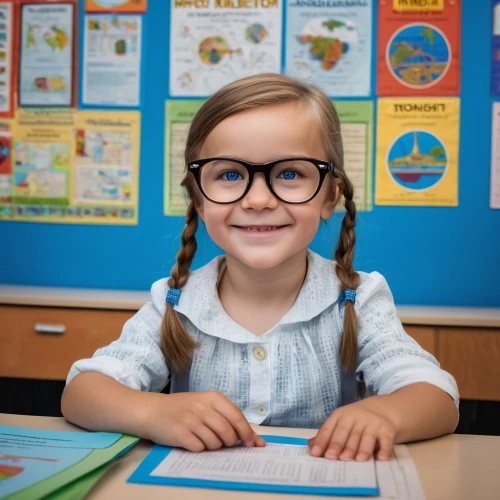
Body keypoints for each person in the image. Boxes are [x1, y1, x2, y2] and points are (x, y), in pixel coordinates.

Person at [62, 74, 459, 462]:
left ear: (330, 196)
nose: (257, 199)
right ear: (199, 200)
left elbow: (436, 396)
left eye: (289, 173)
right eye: (230, 174)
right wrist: (152, 412)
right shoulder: (175, 302)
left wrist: (384, 414)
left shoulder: (357, 299)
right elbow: (81, 393)